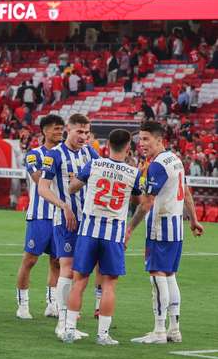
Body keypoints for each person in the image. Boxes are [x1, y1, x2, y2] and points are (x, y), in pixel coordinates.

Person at [62, 129, 142, 345]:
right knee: (109, 285)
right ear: (128, 147)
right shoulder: (133, 172)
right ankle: (103, 335)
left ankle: (69, 330)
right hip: (113, 233)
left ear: (107, 146)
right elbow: (139, 200)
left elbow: (72, 187)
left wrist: (81, 180)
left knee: (79, 281)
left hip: (89, 230)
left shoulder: (94, 165)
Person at [126, 121, 204, 344]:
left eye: (146, 139)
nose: (142, 144)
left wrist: (130, 228)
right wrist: (193, 220)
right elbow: (186, 192)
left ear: (159, 140)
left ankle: (159, 331)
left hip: (160, 226)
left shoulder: (158, 165)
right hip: (176, 227)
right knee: (170, 275)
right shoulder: (175, 159)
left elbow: (147, 203)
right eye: (140, 139)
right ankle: (174, 329)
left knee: (158, 275)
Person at [37, 113, 99, 340]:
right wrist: (63, 205)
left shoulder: (91, 153)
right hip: (65, 219)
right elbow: (43, 188)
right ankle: (62, 322)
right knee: (67, 267)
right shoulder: (54, 155)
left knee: (80, 271)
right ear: (68, 130)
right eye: (79, 132)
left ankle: (70, 322)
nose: (84, 136)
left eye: (87, 132)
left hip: (88, 220)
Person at [15, 114, 63, 320]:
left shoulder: (66, 154)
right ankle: (23, 305)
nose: (59, 132)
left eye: (61, 129)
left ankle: (52, 303)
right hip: (40, 215)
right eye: (55, 128)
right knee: (30, 260)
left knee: (57, 262)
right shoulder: (34, 154)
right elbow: (38, 179)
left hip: (60, 215)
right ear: (44, 131)